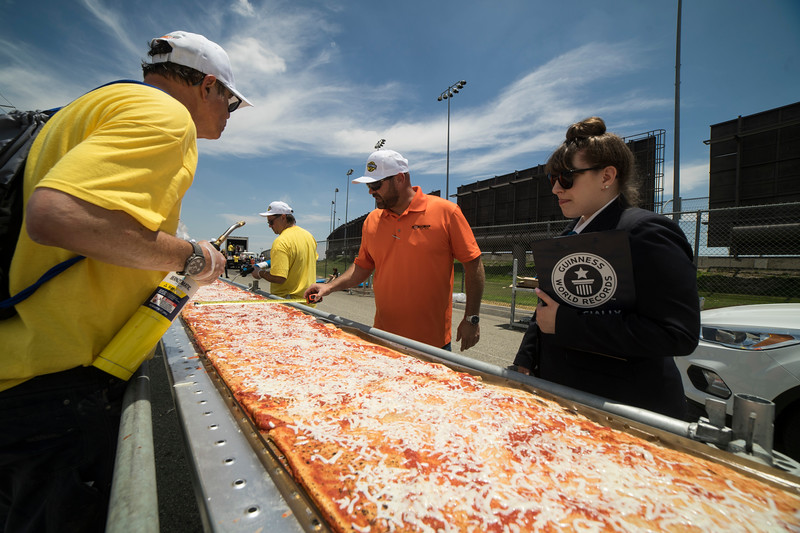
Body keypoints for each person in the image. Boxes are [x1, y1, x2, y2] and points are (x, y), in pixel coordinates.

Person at [0, 30, 251, 532]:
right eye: (232, 99)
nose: (230, 111)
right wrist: (193, 257)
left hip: (21, 364)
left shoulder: (97, 104)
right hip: (54, 382)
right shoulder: (165, 116)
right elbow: (58, 216)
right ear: (206, 86)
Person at [512, 117, 700, 420]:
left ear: (607, 176)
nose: (556, 188)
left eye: (567, 177)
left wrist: (566, 324)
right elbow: (546, 309)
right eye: (553, 179)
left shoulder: (647, 232)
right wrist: (526, 359)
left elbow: (677, 333)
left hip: (623, 408)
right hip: (564, 398)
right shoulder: (568, 237)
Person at [305, 149, 485, 351]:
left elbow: (474, 265)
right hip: (383, 337)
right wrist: (329, 287)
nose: (370, 192)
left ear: (400, 179)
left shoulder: (446, 212)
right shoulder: (372, 220)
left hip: (432, 345)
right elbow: (363, 267)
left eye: (376, 185)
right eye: (369, 186)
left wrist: (472, 318)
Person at [251, 201, 318, 300]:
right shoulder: (309, 236)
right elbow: (309, 259)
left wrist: (259, 272)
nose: (269, 226)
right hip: (308, 302)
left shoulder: (281, 241)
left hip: (288, 305)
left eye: (271, 222)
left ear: (283, 217)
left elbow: (279, 278)